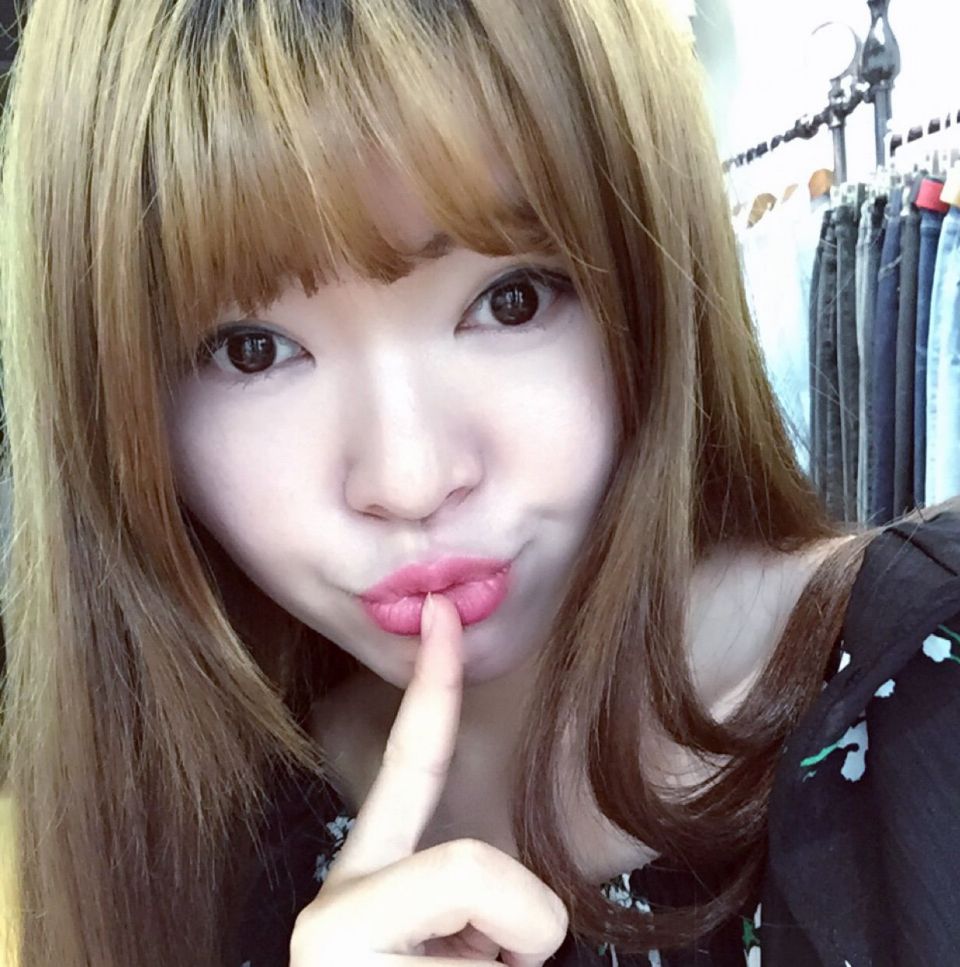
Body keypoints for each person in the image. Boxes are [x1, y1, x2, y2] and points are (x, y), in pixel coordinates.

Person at [0, 0, 957, 965]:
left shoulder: (930, 691)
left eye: (512, 299)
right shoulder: (182, 833)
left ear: (650, 286)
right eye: (252, 349)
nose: (410, 479)